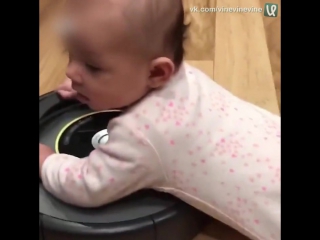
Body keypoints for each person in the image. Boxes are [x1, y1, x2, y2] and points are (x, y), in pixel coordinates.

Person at [39, 0, 280, 239]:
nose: (71, 72)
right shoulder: (185, 78)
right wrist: (88, 84)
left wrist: (47, 160)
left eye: (92, 66)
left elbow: (85, 185)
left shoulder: (142, 134)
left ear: (156, 73)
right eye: (71, 55)